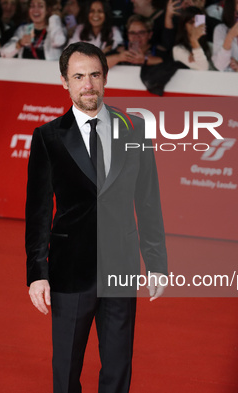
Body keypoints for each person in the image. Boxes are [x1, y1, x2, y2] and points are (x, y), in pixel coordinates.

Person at [25, 41, 168, 393]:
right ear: (65, 82)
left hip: (121, 265)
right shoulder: (48, 137)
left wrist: (157, 262)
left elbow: (148, 201)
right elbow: (39, 210)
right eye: (78, 77)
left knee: (119, 365)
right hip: (70, 269)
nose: (87, 84)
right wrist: (36, 274)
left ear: (105, 77)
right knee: (67, 367)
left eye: (94, 75)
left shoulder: (135, 129)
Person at [0, 0, 67, 60]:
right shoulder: (23, 29)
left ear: (47, 10)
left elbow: (58, 41)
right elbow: (3, 53)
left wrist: (53, 17)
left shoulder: (56, 27)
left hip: (48, 72)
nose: (35, 10)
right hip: (24, 71)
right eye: (32, 6)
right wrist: (19, 43)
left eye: (40, 6)